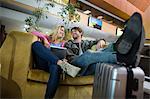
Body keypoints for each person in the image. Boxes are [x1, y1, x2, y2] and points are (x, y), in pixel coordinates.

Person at [65, 12, 143, 76]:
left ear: (81, 33)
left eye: (75, 31)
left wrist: (102, 41)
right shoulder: (68, 43)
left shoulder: (85, 42)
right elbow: (70, 57)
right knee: (89, 54)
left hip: (88, 67)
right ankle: (122, 56)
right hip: (75, 65)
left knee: (101, 65)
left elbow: (97, 41)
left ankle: (126, 55)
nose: (73, 33)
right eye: (72, 32)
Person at [31, 26, 80, 99]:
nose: (62, 32)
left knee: (56, 67)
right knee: (36, 44)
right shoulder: (47, 38)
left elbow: (69, 54)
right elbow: (32, 31)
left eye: (63, 31)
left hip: (53, 66)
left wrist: (65, 59)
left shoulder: (64, 44)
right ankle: (60, 63)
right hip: (43, 63)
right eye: (61, 30)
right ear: (56, 30)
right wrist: (44, 39)